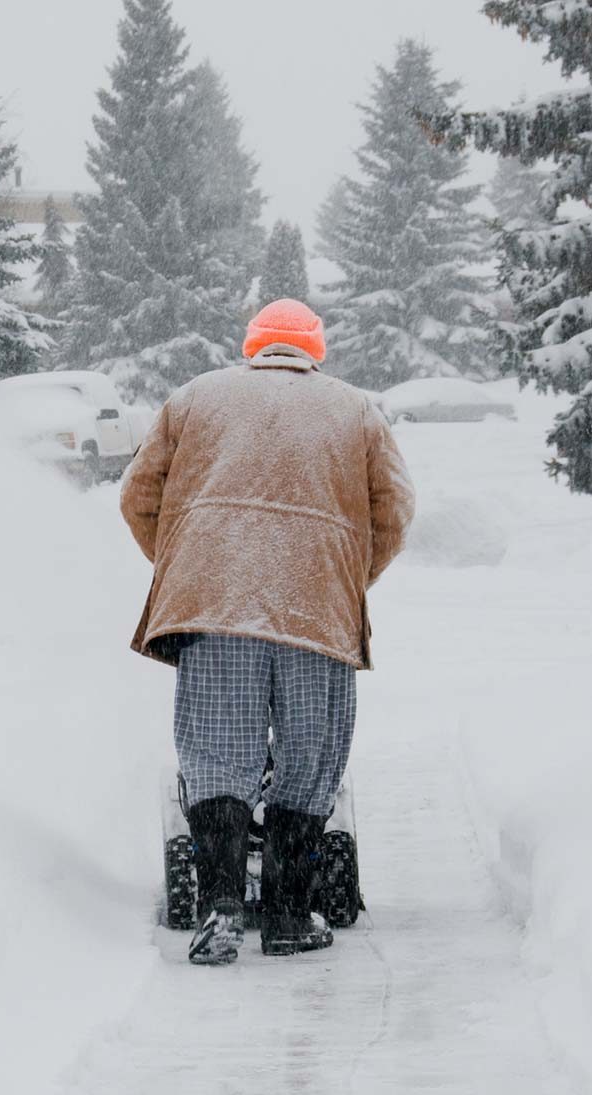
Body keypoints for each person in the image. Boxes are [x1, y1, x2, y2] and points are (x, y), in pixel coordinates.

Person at [120, 299, 415, 965]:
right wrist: (344, 580)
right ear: (316, 350)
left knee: (217, 754)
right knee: (309, 760)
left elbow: (138, 497)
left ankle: (221, 905)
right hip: (318, 611)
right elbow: (393, 509)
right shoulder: (356, 409)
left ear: (253, 347)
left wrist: (188, 569)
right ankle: (287, 914)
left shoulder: (194, 398)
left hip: (215, 603)